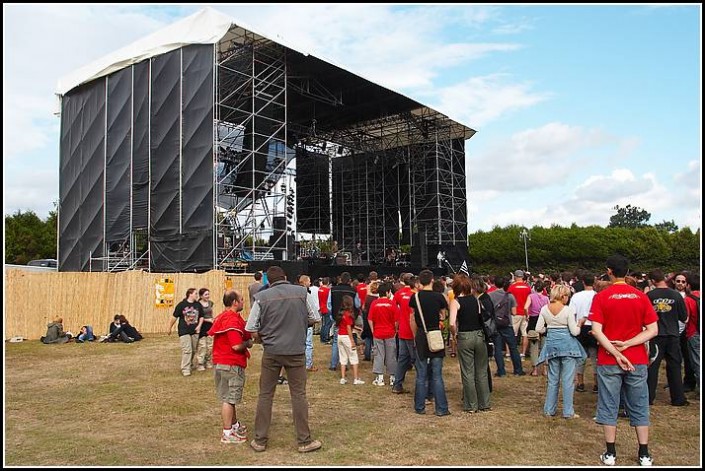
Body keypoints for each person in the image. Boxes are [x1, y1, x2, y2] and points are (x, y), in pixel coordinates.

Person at [589, 254, 658, 467]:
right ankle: (644, 453)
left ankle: (610, 453)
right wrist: (628, 345)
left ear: (609, 271)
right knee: (639, 403)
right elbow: (653, 330)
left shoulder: (601, 297)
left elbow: (596, 331)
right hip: (636, 358)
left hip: (609, 359)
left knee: (608, 403)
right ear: (627, 272)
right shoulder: (641, 296)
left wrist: (617, 351)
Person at [245, 266, 322, 453]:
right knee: (299, 395)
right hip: (296, 351)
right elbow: (315, 317)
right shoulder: (302, 292)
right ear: (286, 277)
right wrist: (299, 323)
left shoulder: (262, 297)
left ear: (268, 282)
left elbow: (251, 327)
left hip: (271, 351)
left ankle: (260, 440)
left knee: (265, 394)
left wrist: (263, 337)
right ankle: (304, 441)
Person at [208, 290, 252, 444]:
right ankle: (227, 433)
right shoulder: (231, 321)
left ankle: (234, 425)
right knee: (229, 399)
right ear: (235, 302)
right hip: (231, 364)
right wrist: (248, 344)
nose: (243, 302)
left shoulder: (223, 316)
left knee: (228, 397)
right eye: (241, 299)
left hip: (221, 363)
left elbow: (246, 331)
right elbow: (236, 345)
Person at [535, 284, 586, 419]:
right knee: (568, 381)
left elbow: (539, 328)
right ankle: (568, 412)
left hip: (552, 346)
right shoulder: (567, 310)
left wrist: (550, 330)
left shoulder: (545, 309)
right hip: (568, 347)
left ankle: (549, 410)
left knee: (553, 380)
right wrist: (579, 324)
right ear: (563, 296)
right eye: (567, 296)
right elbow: (575, 332)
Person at [409, 269, 450, 416]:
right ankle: (441, 408)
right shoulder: (439, 297)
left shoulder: (415, 298)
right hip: (435, 334)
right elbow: (443, 314)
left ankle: (420, 407)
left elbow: (413, 319)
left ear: (419, 281)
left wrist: (415, 336)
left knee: (421, 375)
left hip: (421, 334)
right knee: (437, 375)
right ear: (432, 280)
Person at [645, 269, 689, 407]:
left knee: (652, 367)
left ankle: (648, 397)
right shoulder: (676, 295)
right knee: (675, 367)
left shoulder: (649, 295)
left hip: (656, 335)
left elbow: (644, 317)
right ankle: (678, 398)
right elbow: (684, 317)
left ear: (652, 281)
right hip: (673, 334)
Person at [449, 274, 491, 413]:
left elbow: (452, 323)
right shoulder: (476, 300)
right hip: (479, 335)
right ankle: (485, 403)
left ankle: (471, 404)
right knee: (482, 371)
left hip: (465, 336)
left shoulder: (455, 302)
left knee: (468, 372)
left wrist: (454, 334)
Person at [167, 288, 205, 377]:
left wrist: (199, 326)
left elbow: (201, 317)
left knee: (193, 350)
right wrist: (169, 328)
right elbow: (174, 317)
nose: (197, 295)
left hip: (195, 331)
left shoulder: (198, 305)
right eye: (195, 293)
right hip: (184, 331)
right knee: (187, 350)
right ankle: (185, 369)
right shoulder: (181, 305)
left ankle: (190, 364)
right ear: (190, 294)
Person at [368, 282, 399, 386]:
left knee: (379, 355)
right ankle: (392, 378)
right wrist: (395, 330)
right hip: (390, 333)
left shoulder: (374, 303)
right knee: (391, 355)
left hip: (378, 332)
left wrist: (373, 331)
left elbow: (370, 319)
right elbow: (396, 321)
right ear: (387, 292)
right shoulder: (392, 304)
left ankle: (380, 378)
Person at [335, 295, 365, 385]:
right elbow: (348, 328)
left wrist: (356, 328)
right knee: (354, 357)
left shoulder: (341, 314)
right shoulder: (348, 314)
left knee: (343, 357)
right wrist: (352, 341)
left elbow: (345, 325)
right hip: (346, 337)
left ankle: (343, 378)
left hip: (340, 336)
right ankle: (356, 378)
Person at [196, 288, 215, 370]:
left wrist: (213, 319)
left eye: (208, 294)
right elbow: (197, 316)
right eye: (206, 294)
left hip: (210, 326)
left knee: (210, 345)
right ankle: (200, 363)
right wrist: (207, 320)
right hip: (202, 326)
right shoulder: (197, 305)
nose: (208, 296)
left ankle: (208, 361)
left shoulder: (210, 303)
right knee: (202, 345)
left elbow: (211, 313)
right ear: (201, 296)